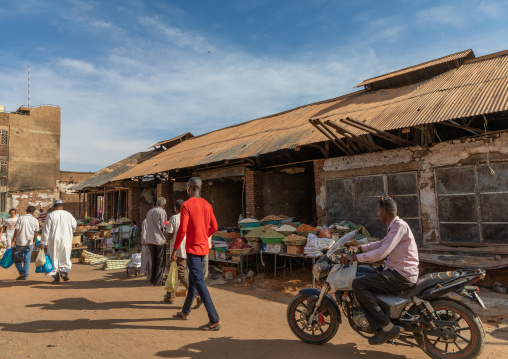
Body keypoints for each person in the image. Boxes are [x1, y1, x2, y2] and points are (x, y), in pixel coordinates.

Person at [340, 197, 419, 345]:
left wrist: (353, 257)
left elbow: (381, 253)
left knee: (358, 284)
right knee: (366, 272)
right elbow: (382, 242)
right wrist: (361, 247)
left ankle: (387, 328)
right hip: (396, 269)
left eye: (378, 211)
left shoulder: (399, 226)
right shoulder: (394, 226)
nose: (377, 214)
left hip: (401, 274)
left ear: (385, 211)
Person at [172, 177, 220, 331]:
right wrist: (203, 236)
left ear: (189, 187)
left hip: (192, 249)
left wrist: (174, 248)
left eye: (187, 186)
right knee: (193, 281)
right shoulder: (207, 205)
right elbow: (215, 227)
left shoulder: (186, 205)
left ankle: (214, 319)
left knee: (199, 282)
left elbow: (182, 230)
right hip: (203, 249)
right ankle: (185, 312)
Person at [165, 200, 202, 306]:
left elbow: (169, 234)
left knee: (181, 274)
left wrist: (166, 234)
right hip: (190, 249)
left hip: (178, 250)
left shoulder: (175, 218)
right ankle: (169, 296)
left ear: (176, 208)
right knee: (174, 271)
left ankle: (198, 295)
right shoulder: (191, 217)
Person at [40, 200, 77, 284]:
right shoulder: (68, 215)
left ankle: (56, 277)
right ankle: (64, 273)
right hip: (66, 239)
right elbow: (74, 225)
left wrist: (43, 242)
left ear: (54, 207)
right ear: (62, 206)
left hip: (53, 239)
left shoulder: (50, 215)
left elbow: (46, 230)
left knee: (53, 256)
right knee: (65, 255)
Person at [11, 206, 39, 280]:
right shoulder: (35, 220)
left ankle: (21, 272)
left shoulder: (20, 218)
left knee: (17, 259)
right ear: (33, 212)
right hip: (29, 242)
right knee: (27, 259)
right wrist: (34, 241)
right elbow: (36, 232)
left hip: (20, 242)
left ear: (26, 210)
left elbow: (16, 230)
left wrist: (13, 240)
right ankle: (25, 275)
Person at [145, 197, 168, 286]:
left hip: (150, 238)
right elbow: (163, 226)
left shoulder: (150, 211)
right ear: (163, 205)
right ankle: (158, 280)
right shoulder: (162, 212)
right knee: (160, 260)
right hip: (159, 239)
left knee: (153, 259)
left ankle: (153, 279)